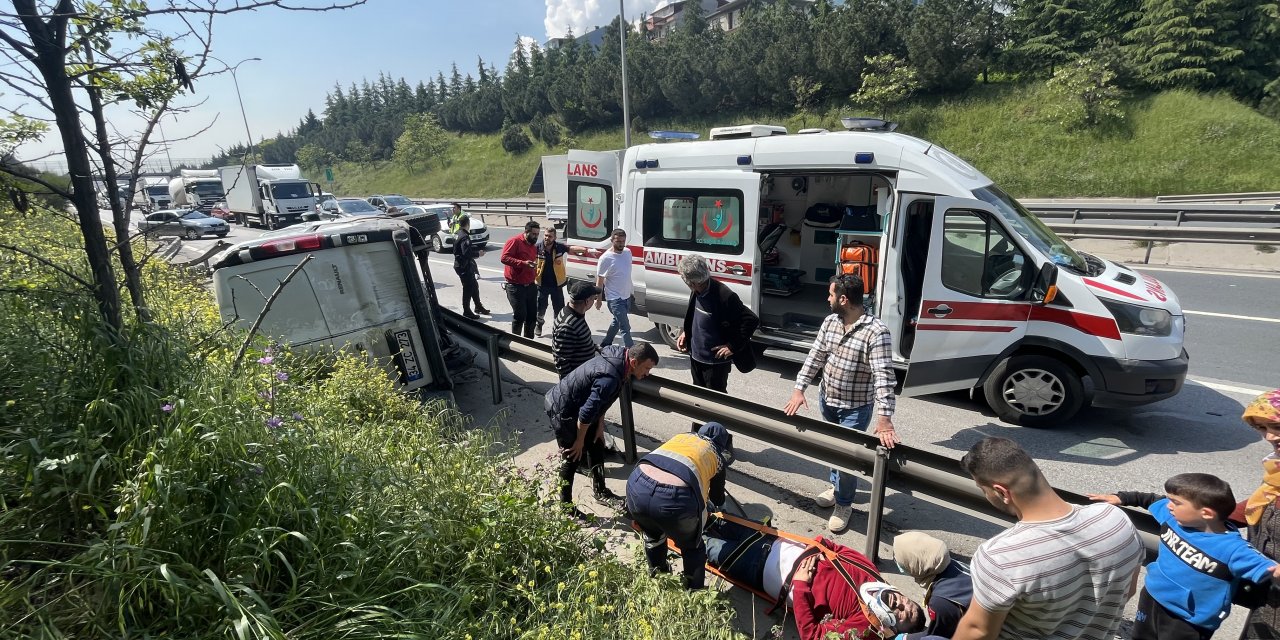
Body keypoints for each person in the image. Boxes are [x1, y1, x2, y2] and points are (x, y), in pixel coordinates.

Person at [950, 437, 1144, 640]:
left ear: (1001, 492)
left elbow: (979, 631)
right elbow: (1127, 591)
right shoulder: (1115, 519)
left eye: (984, 490)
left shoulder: (1000, 557)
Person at [1086, 473, 1280, 640]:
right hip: (1152, 596)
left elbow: (1269, 569)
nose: (1169, 506)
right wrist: (1122, 498)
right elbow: (1153, 500)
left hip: (1189, 619)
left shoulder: (1233, 550)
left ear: (1206, 513)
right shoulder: (1173, 518)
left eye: (1176, 502)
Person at [782, 274, 899, 533]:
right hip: (828, 399)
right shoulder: (831, 322)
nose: (827, 298)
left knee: (847, 456)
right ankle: (837, 488)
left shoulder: (876, 332)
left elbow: (883, 377)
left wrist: (884, 418)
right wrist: (799, 389)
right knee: (832, 450)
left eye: (831, 294)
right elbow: (816, 355)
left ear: (843, 299)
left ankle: (844, 503)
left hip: (855, 408)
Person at [700, 515, 926, 639]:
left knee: (702, 543)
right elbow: (837, 548)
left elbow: (812, 636)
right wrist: (818, 548)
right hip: (775, 541)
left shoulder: (862, 629)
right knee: (709, 519)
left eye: (904, 615)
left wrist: (800, 585)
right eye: (909, 603)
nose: (902, 604)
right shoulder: (872, 575)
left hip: (761, 569)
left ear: (894, 629)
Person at [544, 342, 659, 517]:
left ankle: (600, 491)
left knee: (597, 444)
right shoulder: (611, 376)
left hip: (580, 406)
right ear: (634, 362)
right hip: (563, 408)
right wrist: (580, 441)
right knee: (573, 456)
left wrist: (599, 426)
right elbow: (585, 414)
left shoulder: (622, 359)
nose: (647, 374)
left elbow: (602, 401)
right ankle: (566, 507)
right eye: (646, 368)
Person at [626, 422, 734, 590]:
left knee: (653, 535)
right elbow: (717, 498)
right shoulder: (716, 454)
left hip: (637, 483)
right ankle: (693, 593)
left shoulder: (681, 437)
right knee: (693, 547)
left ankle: (658, 581)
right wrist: (720, 510)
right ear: (722, 445)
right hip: (675, 498)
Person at [1230, 388, 1280, 640]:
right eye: (1261, 427)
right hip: (1267, 592)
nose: (1269, 436)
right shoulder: (1276, 470)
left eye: (1277, 426)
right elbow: (1262, 500)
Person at [675, 253, 759, 396]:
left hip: (715, 363)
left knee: (715, 399)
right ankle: (699, 418)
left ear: (693, 283)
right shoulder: (696, 291)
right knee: (698, 394)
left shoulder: (724, 296)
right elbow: (695, 316)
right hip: (695, 357)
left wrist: (732, 346)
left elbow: (751, 320)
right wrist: (685, 333)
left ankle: (714, 419)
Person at [892, 531, 974, 640]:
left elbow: (936, 636)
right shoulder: (951, 564)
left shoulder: (940, 601)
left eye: (900, 561)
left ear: (914, 563)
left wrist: (904, 638)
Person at [551, 282, 600, 379]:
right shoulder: (567, 326)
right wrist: (572, 384)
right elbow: (561, 360)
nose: (594, 301)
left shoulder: (575, 313)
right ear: (586, 301)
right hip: (577, 379)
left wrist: (594, 347)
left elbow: (577, 342)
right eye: (593, 298)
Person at [500, 220, 540, 338]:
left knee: (532, 316)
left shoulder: (533, 246)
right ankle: (516, 342)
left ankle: (529, 343)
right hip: (515, 286)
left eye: (537, 234)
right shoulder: (514, 241)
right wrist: (523, 263)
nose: (536, 237)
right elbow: (504, 258)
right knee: (520, 316)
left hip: (530, 285)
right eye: (533, 234)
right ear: (526, 232)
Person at [596, 228, 634, 348]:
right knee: (625, 327)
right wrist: (598, 299)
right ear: (612, 240)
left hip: (626, 296)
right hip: (614, 299)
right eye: (618, 241)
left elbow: (625, 274)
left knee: (616, 322)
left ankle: (605, 343)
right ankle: (632, 353)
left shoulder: (628, 252)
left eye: (623, 241)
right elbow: (600, 280)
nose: (621, 244)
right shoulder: (605, 258)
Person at [534, 226, 568, 338]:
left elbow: (572, 249)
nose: (547, 238)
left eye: (550, 236)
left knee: (559, 308)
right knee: (541, 308)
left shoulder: (559, 247)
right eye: (546, 235)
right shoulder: (537, 247)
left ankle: (557, 328)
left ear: (554, 237)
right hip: (542, 284)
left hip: (556, 285)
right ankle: (539, 324)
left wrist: (588, 250)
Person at [451, 215, 488, 319]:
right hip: (463, 266)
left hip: (462, 264)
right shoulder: (464, 236)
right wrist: (478, 253)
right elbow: (466, 253)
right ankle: (466, 311)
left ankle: (478, 307)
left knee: (474, 286)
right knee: (468, 288)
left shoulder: (458, 233)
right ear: (468, 224)